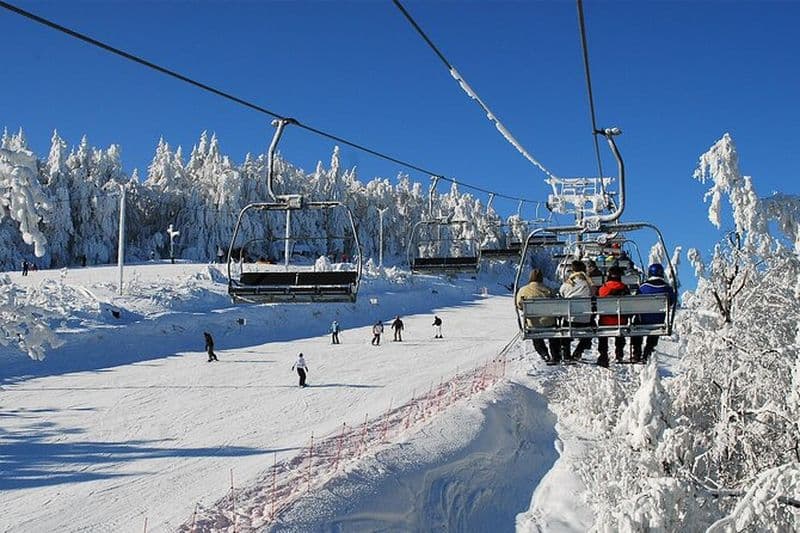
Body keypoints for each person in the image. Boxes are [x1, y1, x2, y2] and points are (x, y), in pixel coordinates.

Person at [631, 263, 676, 363]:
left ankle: (636, 353)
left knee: (636, 324)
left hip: (642, 320)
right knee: (655, 328)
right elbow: (672, 302)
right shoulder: (667, 289)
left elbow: (636, 301)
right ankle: (648, 352)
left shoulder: (643, 288)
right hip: (658, 321)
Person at [516, 268, 559, 362]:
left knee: (536, 337)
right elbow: (556, 304)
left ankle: (544, 353)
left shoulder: (523, 290)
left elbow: (519, 305)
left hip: (533, 323)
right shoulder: (548, 290)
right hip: (549, 322)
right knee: (554, 336)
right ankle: (555, 355)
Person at [558, 260, 593, 361]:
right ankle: (579, 350)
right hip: (585, 320)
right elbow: (594, 294)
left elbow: (562, 293)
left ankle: (566, 353)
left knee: (564, 329)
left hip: (570, 320)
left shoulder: (567, 284)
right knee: (592, 327)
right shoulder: (589, 283)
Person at [596, 266, 630, 367]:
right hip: (621, 320)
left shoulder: (603, 288)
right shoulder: (624, 288)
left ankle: (603, 355)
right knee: (620, 329)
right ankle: (619, 352)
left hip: (605, 321)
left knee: (602, 333)